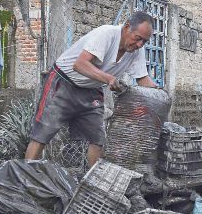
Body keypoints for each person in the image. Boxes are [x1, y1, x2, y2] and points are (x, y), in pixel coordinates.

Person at [25, 10, 159, 167]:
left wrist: (158, 94)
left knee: (97, 139)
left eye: (144, 41)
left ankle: (92, 182)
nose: (139, 45)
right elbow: (79, 64)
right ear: (127, 27)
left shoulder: (136, 52)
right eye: (138, 39)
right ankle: (26, 177)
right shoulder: (106, 34)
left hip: (91, 90)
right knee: (42, 134)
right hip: (63, 82)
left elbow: (143, 79)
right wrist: (108, 78)